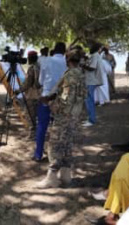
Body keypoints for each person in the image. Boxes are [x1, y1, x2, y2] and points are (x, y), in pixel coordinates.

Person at [34, 48, 86, 188]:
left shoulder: (71, 75)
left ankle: (52, 178)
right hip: (75, 115)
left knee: (55, 145)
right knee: (67, 144)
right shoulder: (80, 73)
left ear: (67, 59)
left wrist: (51, 104)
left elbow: (66, 98)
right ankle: (66, 175)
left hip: (65, 115)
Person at [35, 42, 68, 162]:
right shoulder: (67, 62)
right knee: (59, 128)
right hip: (61, 98)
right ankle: (57, 156)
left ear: (54, 49)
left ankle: (38, 154)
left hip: (46, 96)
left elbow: (41, 80)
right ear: (64, 51)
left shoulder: (46, 61)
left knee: (42, 126)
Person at [81, 43, 104, 127]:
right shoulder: (94, 56)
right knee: (89, 100)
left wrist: (83, 66)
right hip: (91, 80)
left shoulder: (95, 56)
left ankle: (92, 120)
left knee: (89, 100)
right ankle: (90, 118)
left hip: (91, 81)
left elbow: (92, 67)